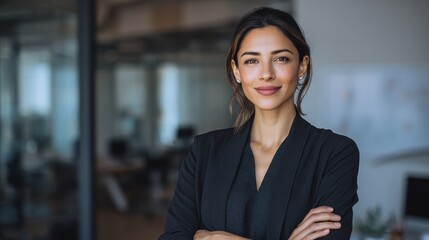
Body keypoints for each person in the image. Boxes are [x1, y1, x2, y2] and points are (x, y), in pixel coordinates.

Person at [160, 7, 359, 240]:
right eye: (252, 60)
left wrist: (212, 238)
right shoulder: (205, 151)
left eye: (281, 58)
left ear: (302, 66)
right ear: (237, 70)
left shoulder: (335, 153)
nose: (266, 73)